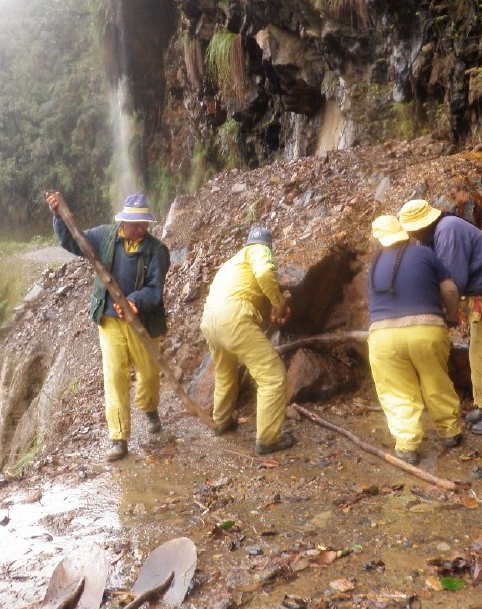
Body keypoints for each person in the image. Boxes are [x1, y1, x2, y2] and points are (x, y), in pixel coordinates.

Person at [46, 191, 170, 461]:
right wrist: (58, 217)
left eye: (143, 225)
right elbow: (73, 241)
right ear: (123, 221)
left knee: (148, 376)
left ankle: (149, 408)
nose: (139, 229)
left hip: (144, 324)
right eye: (134, 224)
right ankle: (119, 437)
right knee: (115, 376)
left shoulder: (157, 251)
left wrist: (136, 302)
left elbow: (155, 289)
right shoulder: (104, 236)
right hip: (110, 321)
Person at [397, 199, 482, 435]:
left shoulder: (448, 230)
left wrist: (442, 316)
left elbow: (454, 281)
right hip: (480, 296)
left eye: (412, 228)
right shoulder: (426, 240)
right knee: (477, 353)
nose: (410, 233)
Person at [367, 216, 463, 464]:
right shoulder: (425, 255)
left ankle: (407, 445)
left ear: (379, 238)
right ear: (403, 233)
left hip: (382, 336)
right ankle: (450, 431)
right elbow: (450, 290)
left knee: (397, 390)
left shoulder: (374, 264)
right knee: (435, 380)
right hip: (426, 330)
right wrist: (452, 316)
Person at [200, 225, 295, 455]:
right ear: (266, 244)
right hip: (232, 317)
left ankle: (221, 421)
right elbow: (264, 273)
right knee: (271, 375)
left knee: (225, 371)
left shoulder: (231, 263)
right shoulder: (258, 250)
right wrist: (276, 302)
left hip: (209, 320)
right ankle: (268, 439)